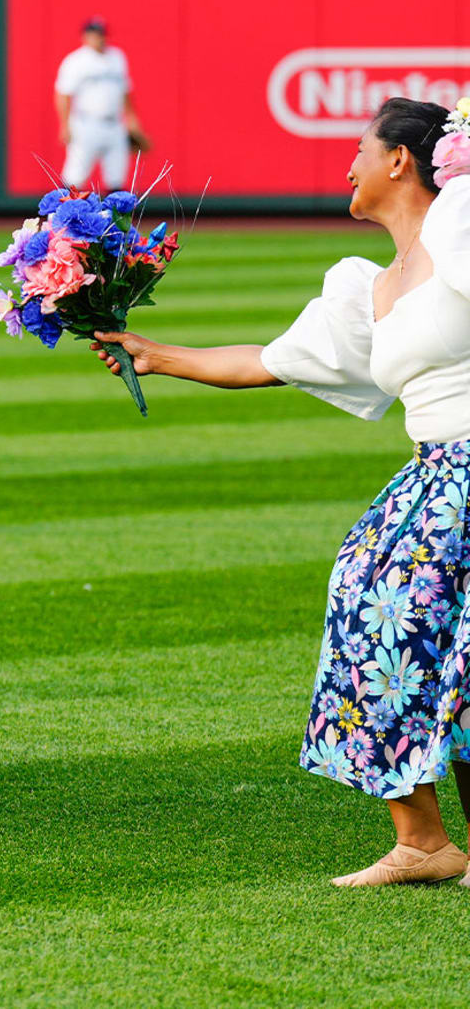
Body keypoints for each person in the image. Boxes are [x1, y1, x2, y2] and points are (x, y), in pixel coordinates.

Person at [91, 98, 470, 887]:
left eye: (360, 150)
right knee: (368, 604)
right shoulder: (372, 285)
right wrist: (156, 355)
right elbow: (271, 359)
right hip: (434, 471)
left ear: (401, 159)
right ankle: (424, 842)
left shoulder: (462, 227)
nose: (348, 166)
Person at [55, 16, 148, 193]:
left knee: (117, 180)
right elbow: (63, 94)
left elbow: (125, 91)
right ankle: (60, 219)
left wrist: (132, 120)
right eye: (94, 34)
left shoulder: (117, 57)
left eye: (101, 34)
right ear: (85, 36)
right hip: (86, 124)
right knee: (74, 177)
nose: (98, 37)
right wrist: (65, 124)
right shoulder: (76, 61)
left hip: (114, 124)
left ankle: (117, 221)